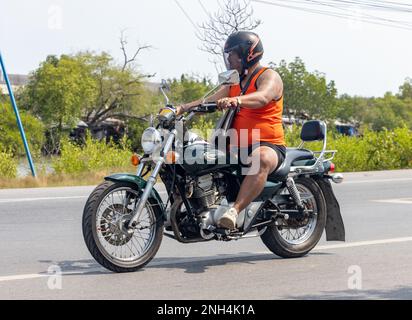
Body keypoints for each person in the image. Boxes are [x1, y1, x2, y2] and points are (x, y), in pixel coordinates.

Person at [176, 31, 286, 230]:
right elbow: (206, 102)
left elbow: (262, 97)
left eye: (232, 54)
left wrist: (237, 100)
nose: (228, 59)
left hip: (269, 145)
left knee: (260, 159)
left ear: (247, 54)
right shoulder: (234, 83)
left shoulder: (268, 76)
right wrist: (182, 109)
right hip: (236, 145)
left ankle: (234, 211)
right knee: (194, 156)